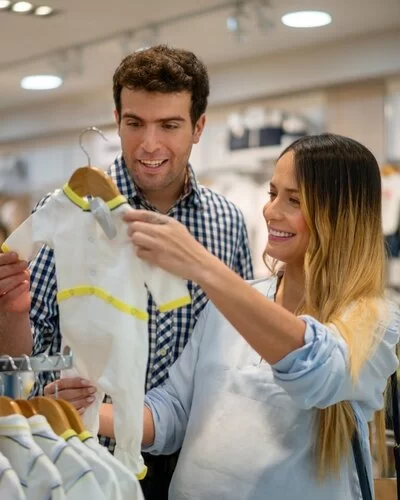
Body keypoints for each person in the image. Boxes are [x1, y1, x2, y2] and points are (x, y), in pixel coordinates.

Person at [0, 45, 253, 498]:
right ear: (116, 119)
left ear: (198, 128)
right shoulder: (68, 213)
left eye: (169, 125)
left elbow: (235, 347)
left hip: (197, 462)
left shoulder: (226, 222)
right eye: (134, 123)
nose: (149, 145)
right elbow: (22, 352)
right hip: (84, 456)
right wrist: (12, 313)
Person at [117, 133, 398, 499]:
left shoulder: (374, 319)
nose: (271, 211)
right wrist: (81, 416)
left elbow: (314, 368)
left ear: (337, 214)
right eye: (272, 194)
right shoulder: (232, 302)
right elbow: (172, 411)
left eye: (294, 200)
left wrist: (203, 267)